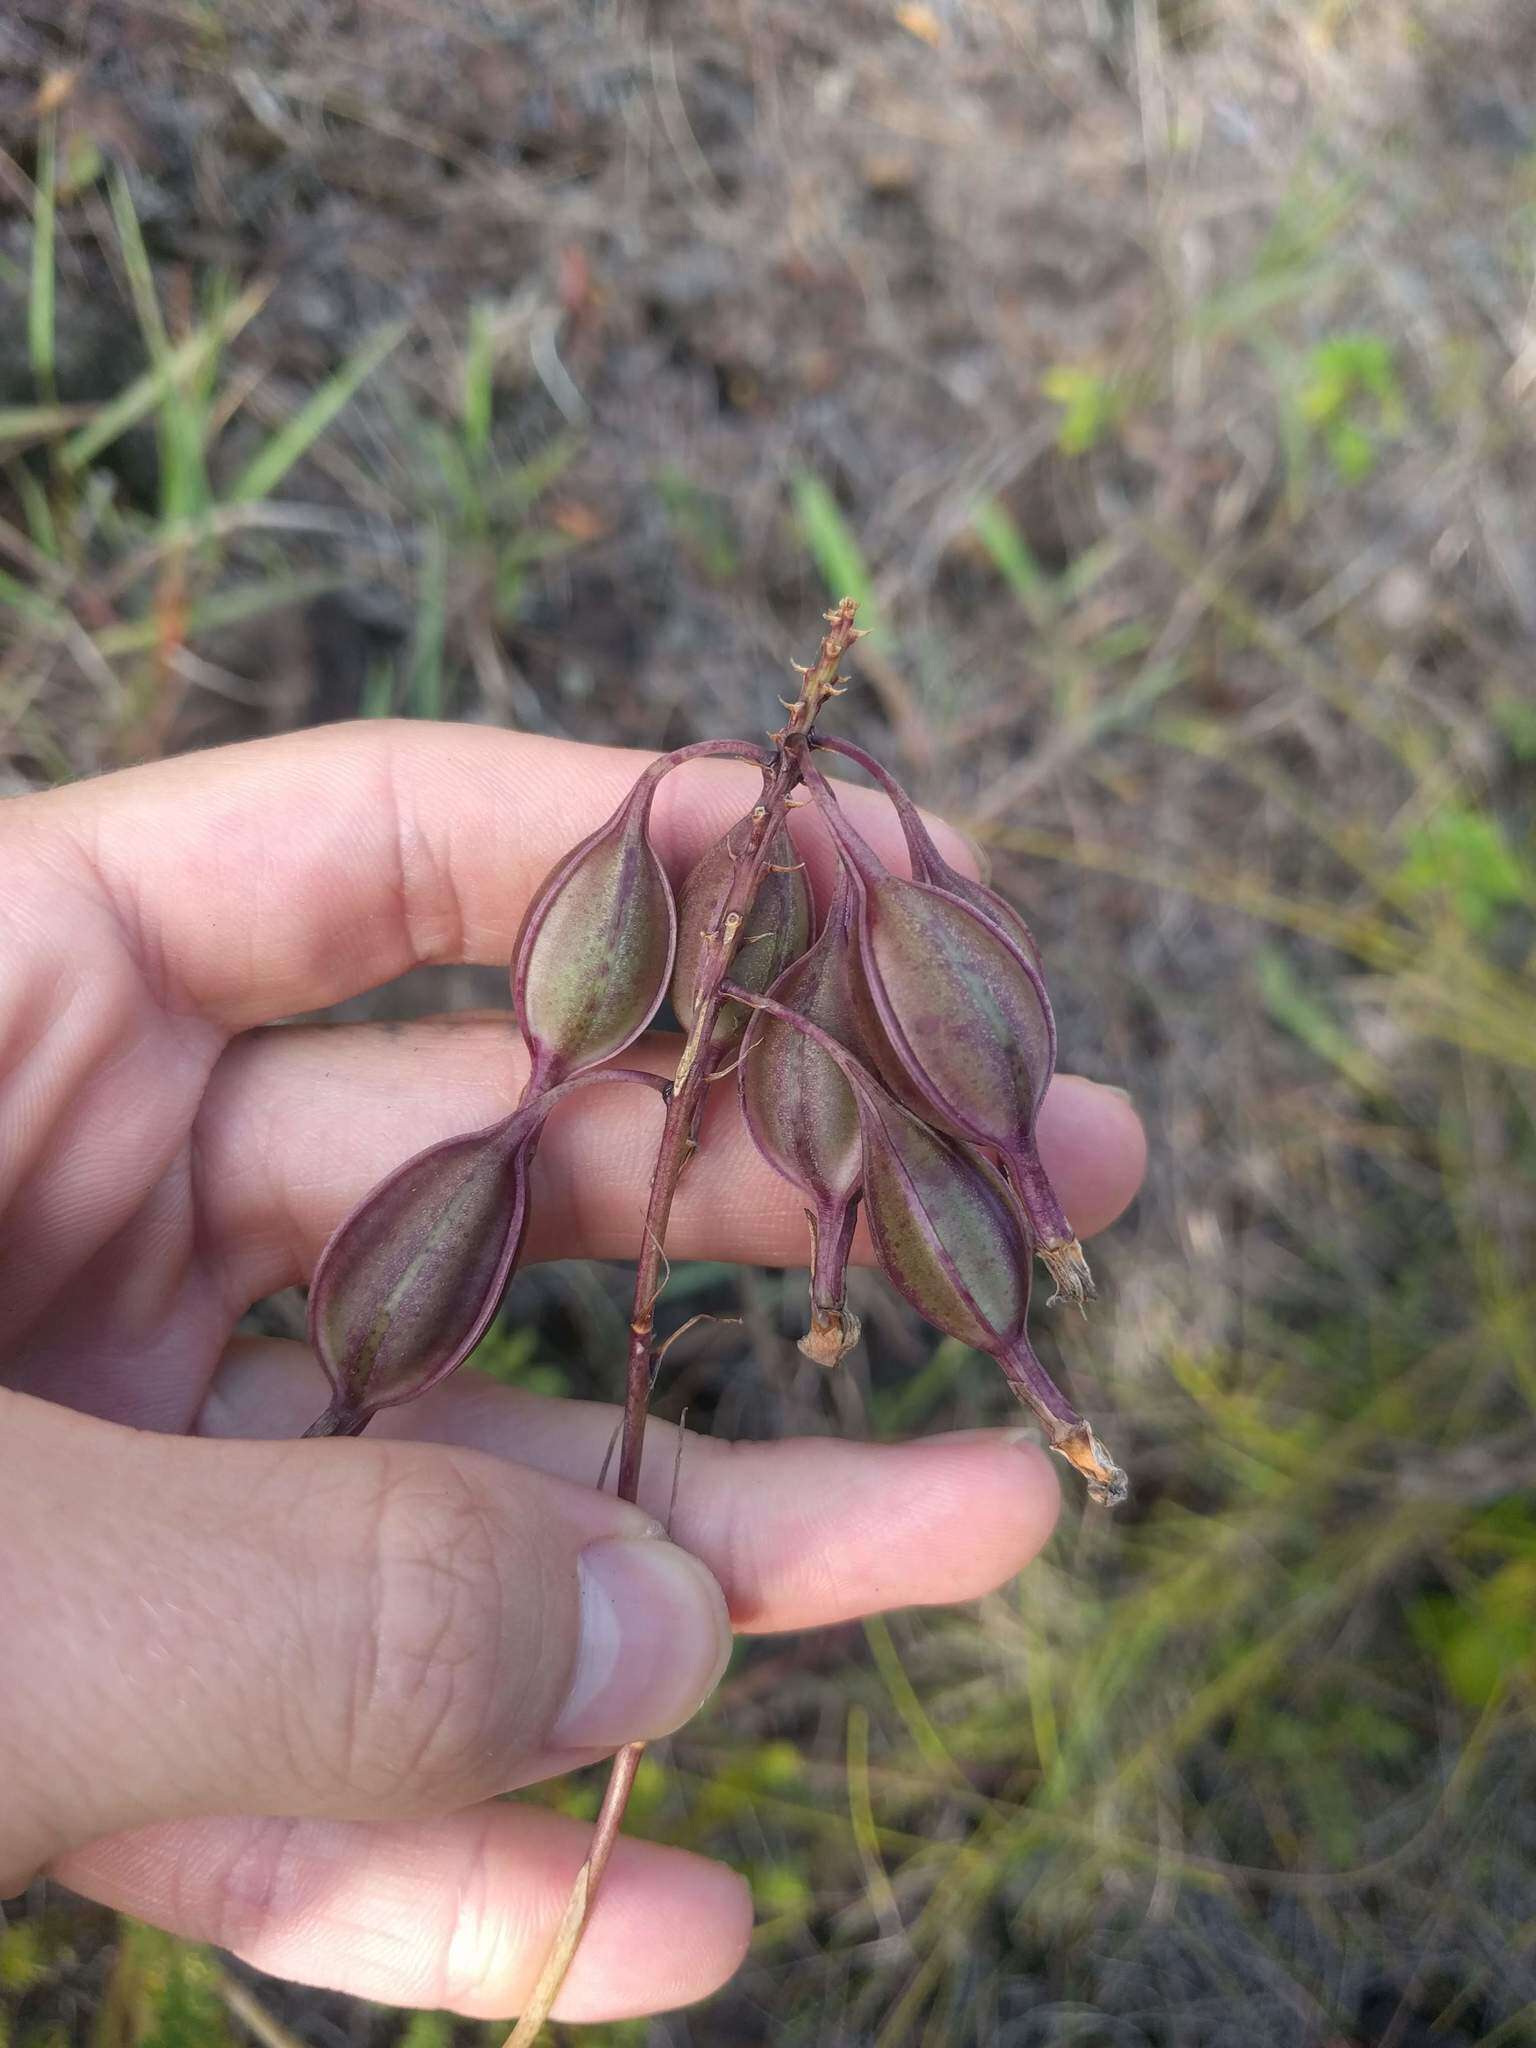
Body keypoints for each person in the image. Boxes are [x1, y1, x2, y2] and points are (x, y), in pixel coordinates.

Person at [0, 720, 1145, 2025]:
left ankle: (1037, 1355)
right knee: (523, 1137)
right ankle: (1028, 1349)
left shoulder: (832, 979)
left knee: (565, 1138)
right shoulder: (673, 985)